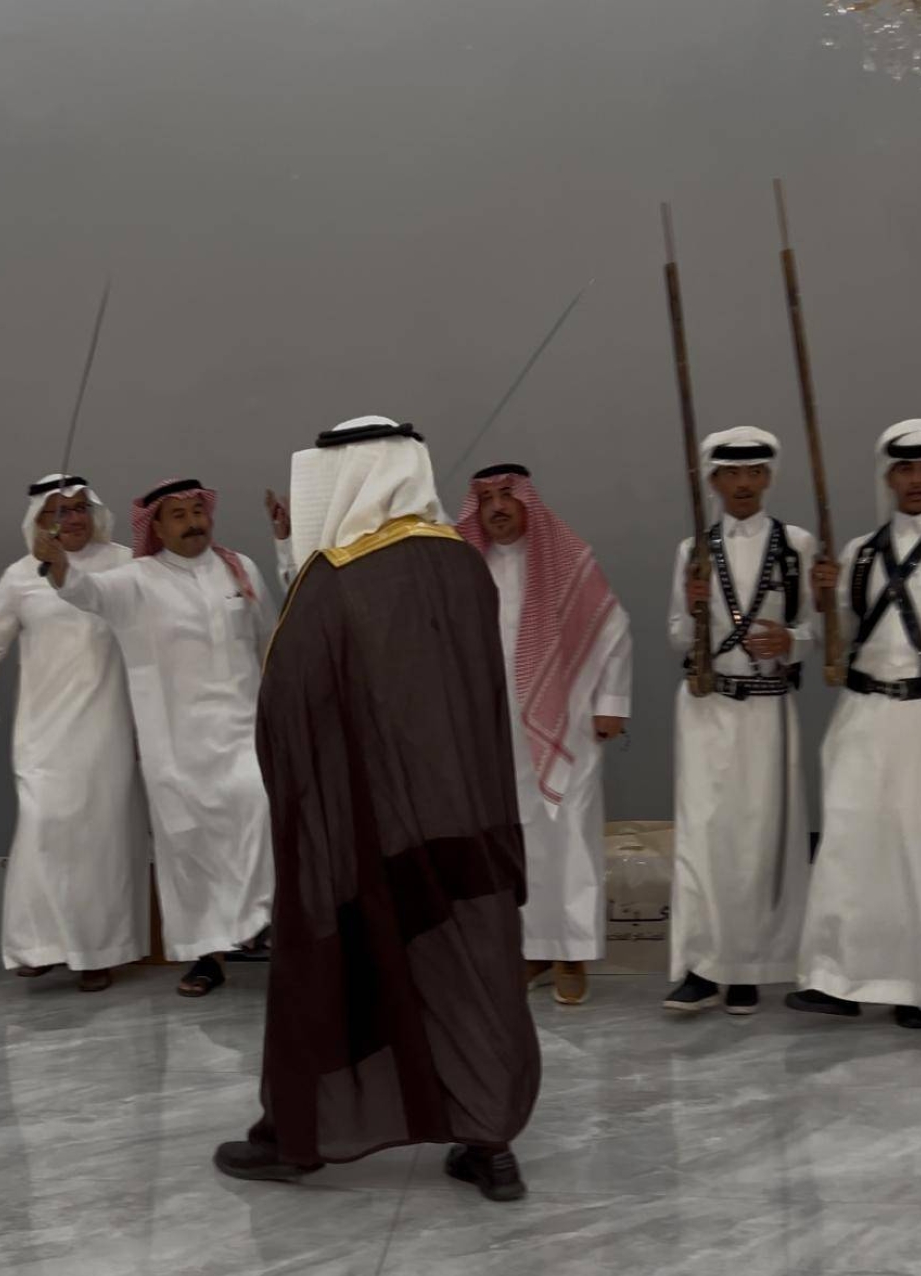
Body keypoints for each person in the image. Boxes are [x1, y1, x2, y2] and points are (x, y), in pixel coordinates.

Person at [214, 417, 540, 1201]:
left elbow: (288, 702)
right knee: (470, 974)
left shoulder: (337, 579)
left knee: (342, 971)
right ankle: (490, 1144)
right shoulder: (465, 565)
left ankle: (304, 1138)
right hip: (467, 821)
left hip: (373, 831)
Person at [34, 477, 275, 998]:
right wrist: (57, 565)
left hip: (243, 728)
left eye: (198, 511)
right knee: (189, 848)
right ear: (157, 528)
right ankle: (207, 957)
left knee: (257, 805)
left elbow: (267, 638)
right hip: (175, 740)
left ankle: (254, 921)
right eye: (179, 515)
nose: (193, 523)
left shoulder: (240, 568)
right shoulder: (135, 580)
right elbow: (85, 592)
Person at [0, 474, 151, 992]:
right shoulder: (20, 576)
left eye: (81, 508)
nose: (73, 518)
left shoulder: (127, 564)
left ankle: (97, 952)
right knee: (41, 827)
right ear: (38, 522)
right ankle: (40, 945)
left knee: (102, 835)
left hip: (108, 723)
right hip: (42, 726)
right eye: (59, 511)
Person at [456, 464, 631, 1006]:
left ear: (527, 500)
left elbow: (613, 628)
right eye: (487, 499)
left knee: (570, 833)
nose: (498, 507)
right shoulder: (466, 567)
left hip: (568, 722)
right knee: (518, 837)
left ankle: (572, 954)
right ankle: (532, 948)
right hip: (495, 729)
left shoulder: (565, 559)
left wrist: (611, 704)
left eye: (507, 495)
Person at [665, 428, 817, 1015]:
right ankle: (702, 966)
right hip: (706, 707)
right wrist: (692, 606)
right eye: (732, 473)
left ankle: (747, 967)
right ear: (714, 481)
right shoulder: (693, 550)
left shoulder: (796, 545)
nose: (744, 483)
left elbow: (818, 628)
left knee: (759, 837)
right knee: (703, 833)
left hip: (769, 708)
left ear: (768, 477)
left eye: (754, 472)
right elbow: (677, 635)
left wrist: (792, 640)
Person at [787, 420, 921, 1029]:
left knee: (919, 849)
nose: (917, 480)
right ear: (888, 477)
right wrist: (825, 598)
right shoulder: (860, 554)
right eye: (906, 468)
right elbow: (836, 641)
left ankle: (920, 989)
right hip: (864, 714)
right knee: (849, 841)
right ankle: (837, 978)